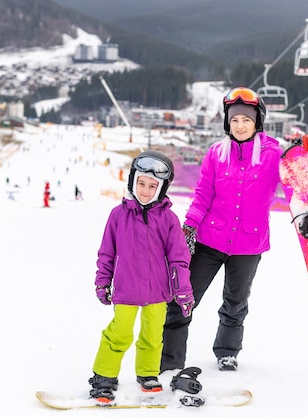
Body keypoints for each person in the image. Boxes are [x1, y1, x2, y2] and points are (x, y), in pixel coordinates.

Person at [160, 87, 308, 373]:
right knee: (182, 300)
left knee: (235, 304)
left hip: (249, 245)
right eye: (234, 121)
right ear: (227, 123)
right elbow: (203, 196)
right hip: (209, 240)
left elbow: (296, 183)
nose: (240, 125)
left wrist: (305, 153)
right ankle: (170, 359)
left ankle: (227, 352)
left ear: (257, 122)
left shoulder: (273, 155)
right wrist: (188, 228)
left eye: (246, 120)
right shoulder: (216, 154)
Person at [89, 150, 194, 403]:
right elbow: (107, 253)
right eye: (142, 183)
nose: (146, 190)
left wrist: (183, 291)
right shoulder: (118, 215)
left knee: (152, 334)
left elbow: (179, 258)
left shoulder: (168, 219)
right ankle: (104, 376)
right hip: (125, 289)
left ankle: (147, 373)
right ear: (133, 182)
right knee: (119, 333)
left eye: (152, 186)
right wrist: (103, 281)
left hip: (158, 291)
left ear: (161, 188)